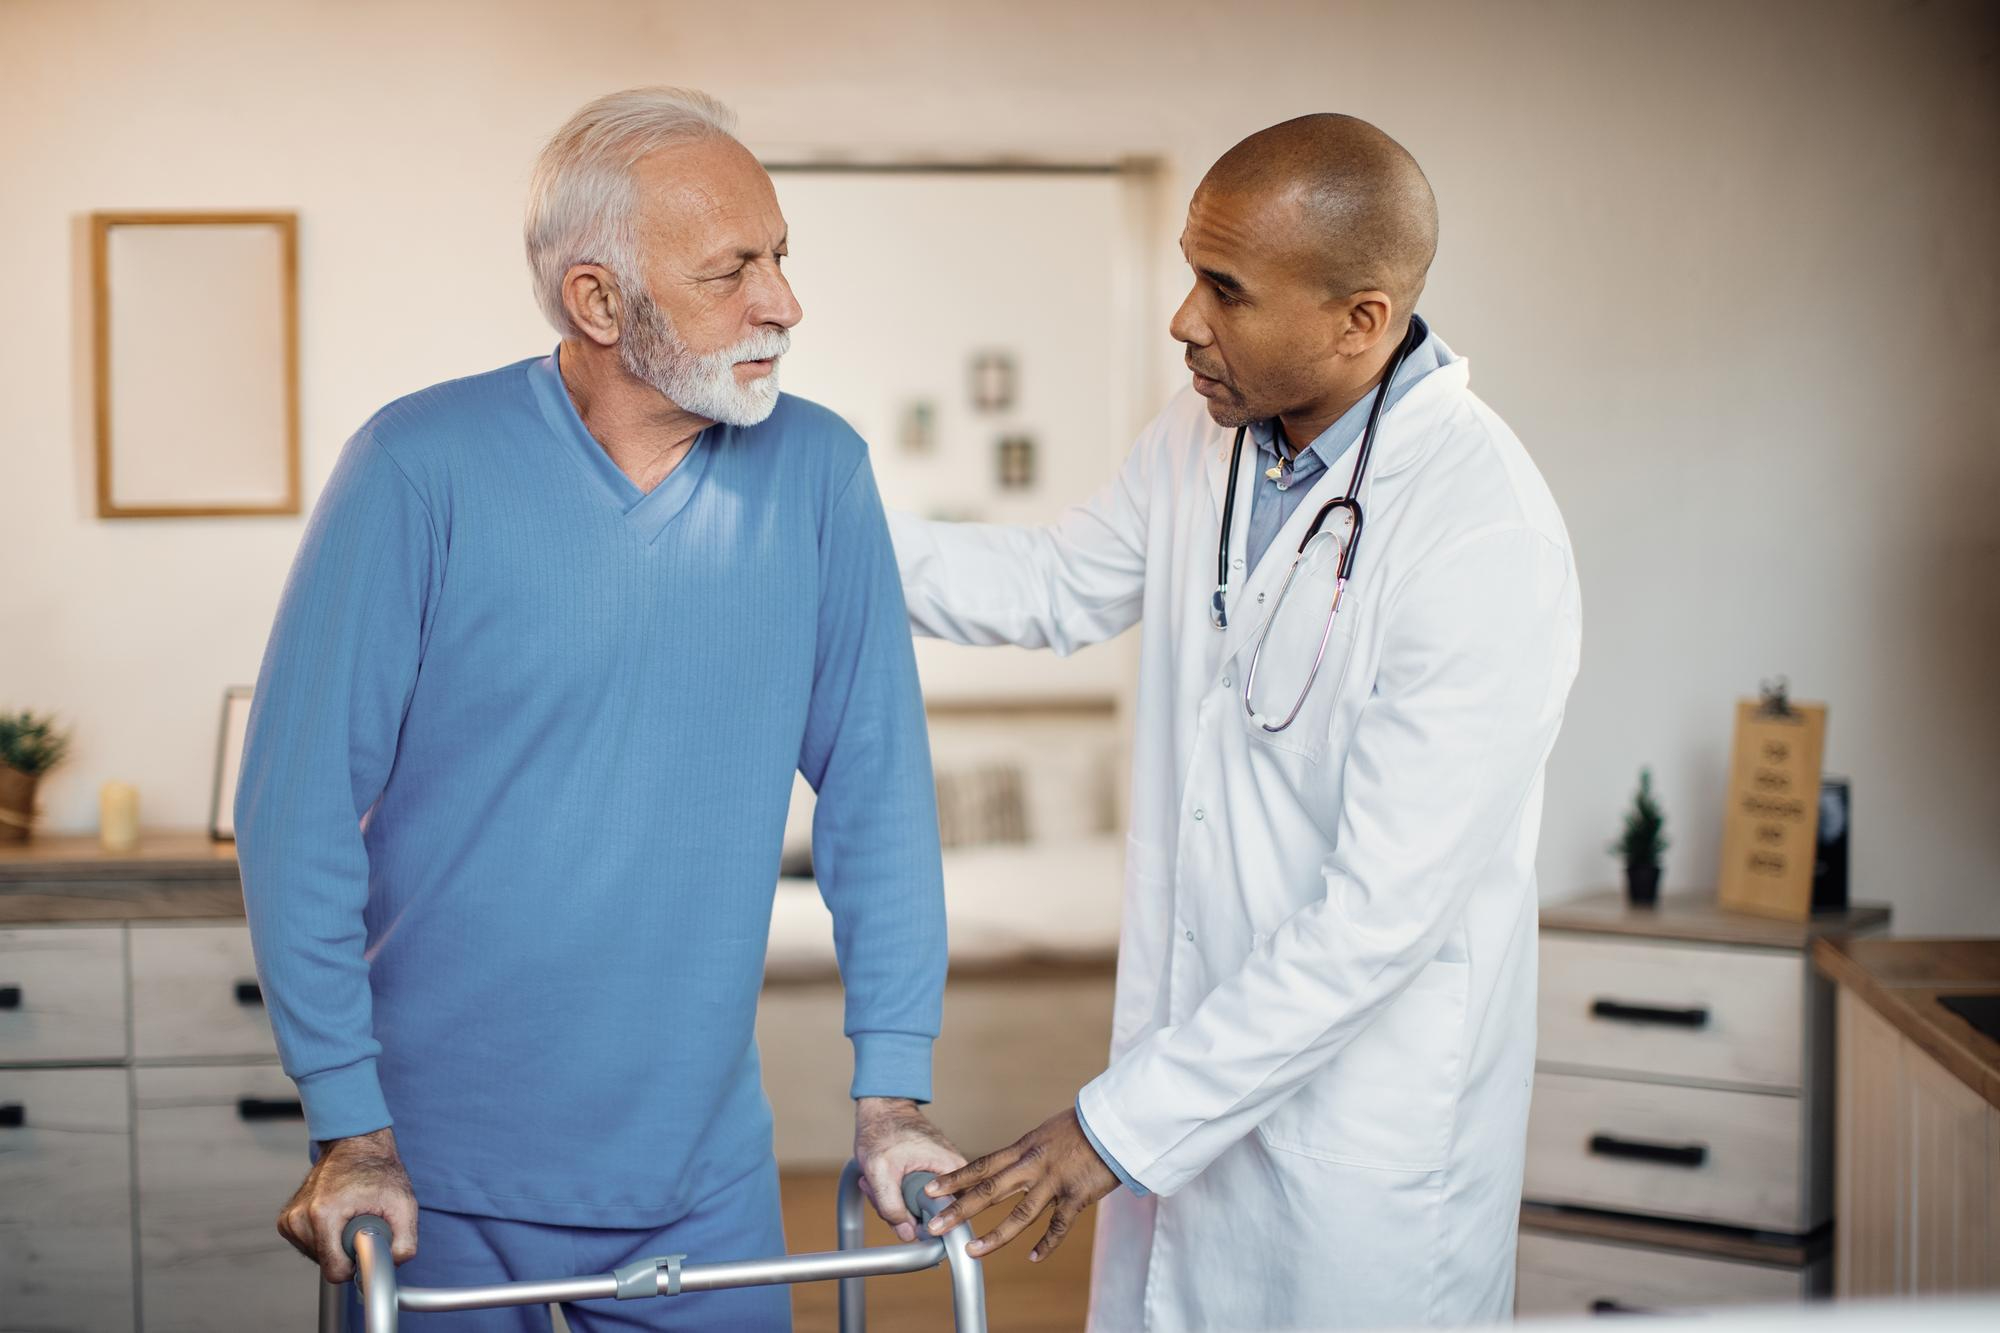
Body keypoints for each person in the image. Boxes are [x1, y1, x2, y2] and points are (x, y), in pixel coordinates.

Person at [235, 87, 961, 1332]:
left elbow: (878, 796)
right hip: (430, 1178)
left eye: (780, 257)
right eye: (733, 269)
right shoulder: (417, 468)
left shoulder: (820, 474)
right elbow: (294, 814)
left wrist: (890, 1092)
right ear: (598, 300)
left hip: (701, 1173)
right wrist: (348, 1121)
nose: (783, 302)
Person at [894, 114, 1582, 1329]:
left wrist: (1116, 1125)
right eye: (1186, 271)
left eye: (1225, 287)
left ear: (1359, 319)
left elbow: (1377, 923)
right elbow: (1055, 585)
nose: (1182, 320)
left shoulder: (1482, 534)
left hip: (1358, 1155)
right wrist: (817, 533)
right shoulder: (1201, 441)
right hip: (1192, 1085)